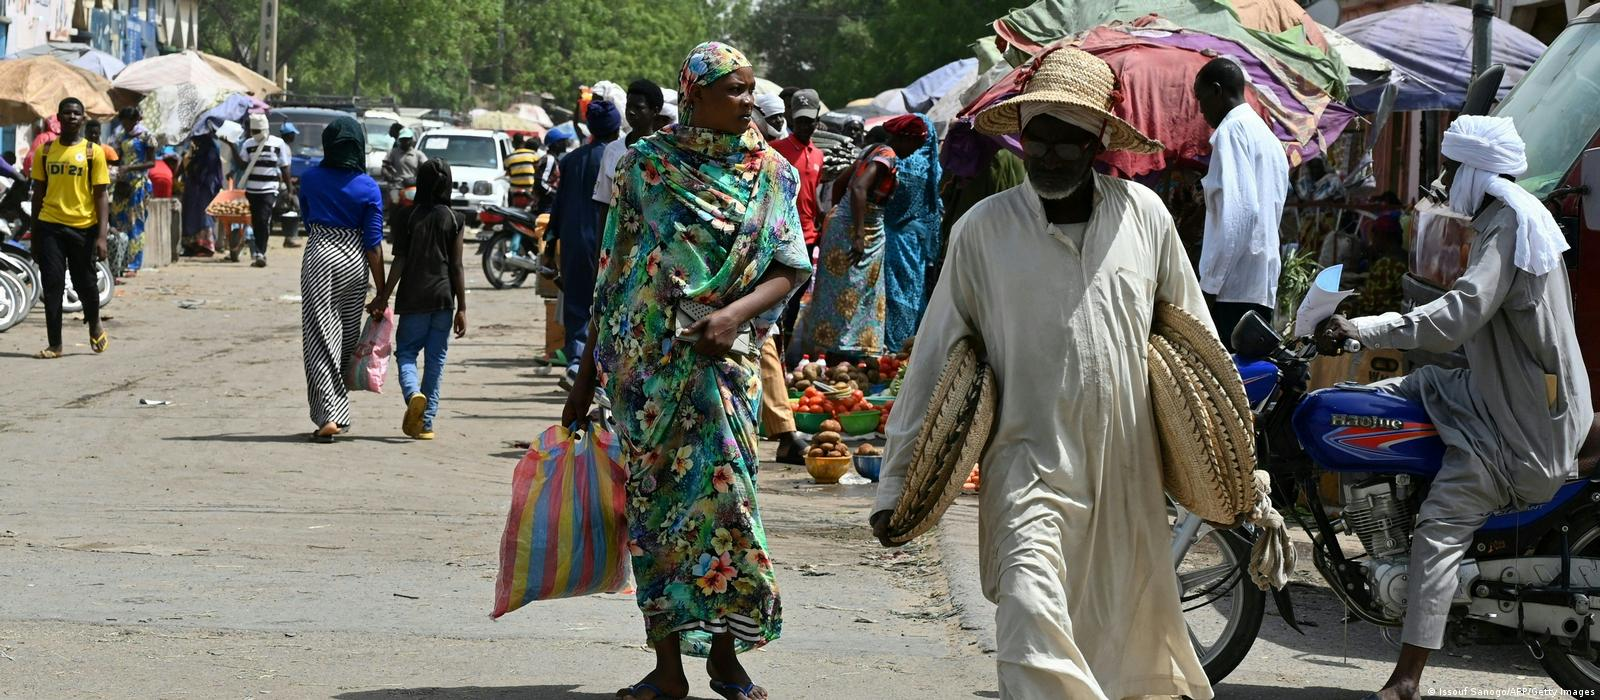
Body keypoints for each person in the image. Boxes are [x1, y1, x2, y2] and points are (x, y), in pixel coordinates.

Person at [871, 48, 1214, 700]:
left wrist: (1225, 465)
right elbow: (933, 362)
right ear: (1020, 138)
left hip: (1126, 481)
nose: (1051, 155)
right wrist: (896, 489)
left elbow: (1195, 344)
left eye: (1069, 141)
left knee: (1121, 656)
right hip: (1026, 470)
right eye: (1039, 138)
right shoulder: (983, 232)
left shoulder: (1143, 217)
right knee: (1029, 621)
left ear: (1097, 144)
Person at [561, 41, 808, 700]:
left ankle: (725, 658)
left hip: (728, 374)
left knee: (730, 514)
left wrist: (733, 316)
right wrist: (585, 380)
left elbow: (790, 266)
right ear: (693, 94)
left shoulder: (773, 175)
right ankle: (668, 670)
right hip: (650, 381)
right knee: (656, 520)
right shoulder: (644, 168)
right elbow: (614, 278)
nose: (748, 100)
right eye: (734, 89)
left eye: (751, 88)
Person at [1318, 115, 1592, 700]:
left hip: (1519, 425)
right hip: (1494, 391)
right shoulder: (1510, 217)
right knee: (1395, 396)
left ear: (1476, 170)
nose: (1442, 182)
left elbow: (1460, 314)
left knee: (1438, 530)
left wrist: (1367, 329)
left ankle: (1407, 680)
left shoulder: (1509, 228)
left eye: (1448, 169)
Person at [798, 115, 924, 359]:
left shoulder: (872, 149)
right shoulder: (886, 155)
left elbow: (841, 183)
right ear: (905, 139)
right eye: (917, 144)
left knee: (840, 290)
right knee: (853, 293)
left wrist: (837, 215)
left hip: (845, 222)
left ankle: (833, 352)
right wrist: (856, 233)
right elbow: (857, 188)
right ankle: (846, 353)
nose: (917, 150)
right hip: (859, 227)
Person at [298, 117, 388, 443]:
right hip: (355, 262)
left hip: (321, 253)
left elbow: (308, 219)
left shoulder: (309, 179)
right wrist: (381, 292)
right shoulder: (368, 187)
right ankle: (338, 411)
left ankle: (327, 417)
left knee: (321, 336)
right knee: (347, 337)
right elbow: (374, 245)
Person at [1192, 57, 1288, 346]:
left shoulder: (1232, 131)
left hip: (1232, 288)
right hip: (1259, 283)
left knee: (1226, 384)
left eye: (1201, 98)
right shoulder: (1267, 137)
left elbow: (1239, 213)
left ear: (1217, 91)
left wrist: (1208, 287)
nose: (1200, 109)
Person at [370, 159, 467, 440]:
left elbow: (399, 260)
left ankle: (413, 393)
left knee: (408, 354)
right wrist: (462, 308)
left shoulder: (406, 217)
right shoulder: (454, 218)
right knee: (436, 359)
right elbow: (457, 266)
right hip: (443, 300)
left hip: (413, 299)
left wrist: (382, 296)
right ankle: (426, 423)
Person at [542, 100, 620, 391]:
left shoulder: (571, 160)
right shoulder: (618, 157)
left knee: (576, 303)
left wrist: (550, 248)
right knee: (604, 305)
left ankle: (576, 364)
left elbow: (557, 206)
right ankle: (601, 369)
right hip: (606, 243)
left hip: (573, 241)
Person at [29, 97, 111, 359]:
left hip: (83, 228)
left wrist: (101, 237)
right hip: (50, 226)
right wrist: (35, 233)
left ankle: (95, 322)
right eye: (67, 113)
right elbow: (38, 194)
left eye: (77, 113)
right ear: (59, 117)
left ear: (83, 118)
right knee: (52, 284)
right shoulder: (45, 151)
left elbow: (101, 195)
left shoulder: (92, 152)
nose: (72, 117)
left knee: (84, 282)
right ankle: (55, 344)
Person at [881, 113, 943, 352]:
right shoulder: (933, 168)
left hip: (893, 238)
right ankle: (908, 347)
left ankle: (892, 346)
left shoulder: (901, 164)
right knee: (913, 292)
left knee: (892, 293)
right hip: (916, 242)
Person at [592, 79, 665, 209]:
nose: (631, 112)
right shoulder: (612, 150)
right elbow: (604, 202)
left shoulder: (664, 151)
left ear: (655, 111)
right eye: (628, 106)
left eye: (638, 108)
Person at [237, 113, 292, 268]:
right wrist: (230, 146)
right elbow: (242, 165)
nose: (255, 135)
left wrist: (290, 190)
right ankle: (259, 251)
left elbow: (284, 167)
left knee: (263, 218)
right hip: (252, 190)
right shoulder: (248, 144)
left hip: (270, 189)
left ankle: (261, 252)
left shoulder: (278, 143)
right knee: (256, 220)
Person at [109, 107, 155, 278]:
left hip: (139, 184)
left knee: (135, 223)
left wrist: (130, 167)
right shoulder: (121, 136)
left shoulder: (146, 137)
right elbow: (117, 157)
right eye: (123, 122)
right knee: (118, 222)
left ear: (135, 120)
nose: (125, 125)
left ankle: (134, 264)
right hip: (123, 183)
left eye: (128, 121)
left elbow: (151, 163)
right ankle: (119, 261)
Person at [180, 128, 225, 257]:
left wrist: (196, 170)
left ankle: (205, 245)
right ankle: (192, 245)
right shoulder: (197, 151)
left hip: (205, 187)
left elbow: (208, 170)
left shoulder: (211, 150)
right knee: (191, 216)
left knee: (204, 215)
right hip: (194, 188)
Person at [381, 128, 428, 222]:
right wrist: (389, 176)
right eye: (402, 140)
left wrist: (421, 179)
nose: (404, 142)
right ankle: (392, 221)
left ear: (411, 140)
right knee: (394, 201)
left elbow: (427, 167)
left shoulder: (418, 154)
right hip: (397, 185)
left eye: (407, 139)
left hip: (413, 186)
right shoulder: (393, 152)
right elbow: (385, 167)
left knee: (423, 203)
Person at [277, 122, 303, 248]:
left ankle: (289, 237)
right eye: (293, 134)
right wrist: (290, 188)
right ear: (289, 135)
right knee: (295, 206)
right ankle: (290, 237)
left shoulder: (281, 146)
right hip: (280, 184)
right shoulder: (284, 148)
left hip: (280, 182)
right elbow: (284, 169)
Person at [505, 134, 542, 207]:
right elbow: (537, 170)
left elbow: (508, 173)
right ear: (523, 143)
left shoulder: (508, 158)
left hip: (514, 190)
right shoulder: (533, 154)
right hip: (530, 190)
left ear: (512, 144)